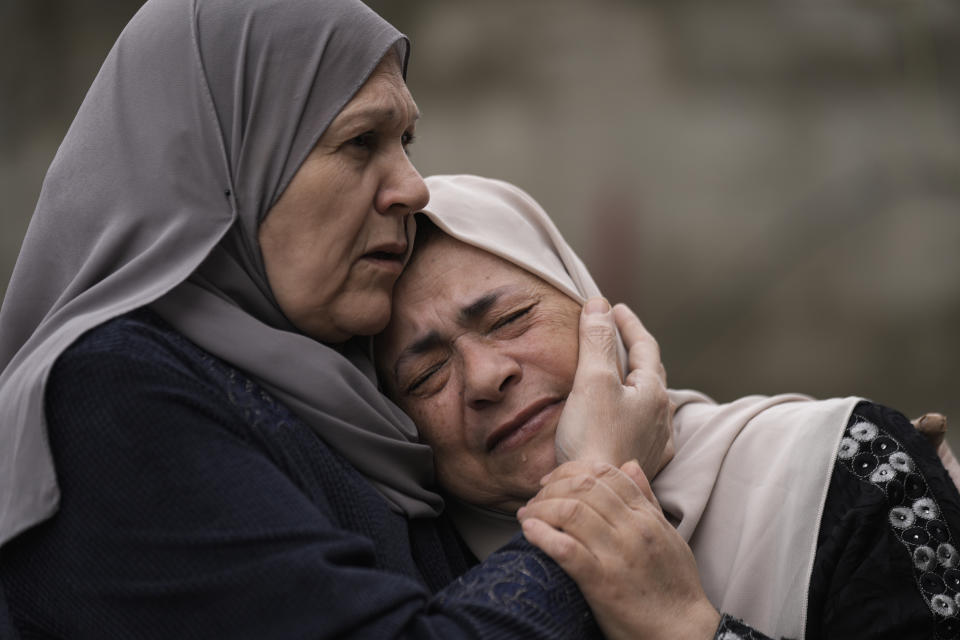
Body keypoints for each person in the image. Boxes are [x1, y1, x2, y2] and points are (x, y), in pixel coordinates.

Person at [0, 2, 679, 638]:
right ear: (232, 163)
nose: (412, 187)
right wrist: (597, 482)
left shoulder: (337, 401)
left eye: (406, 140)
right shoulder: (112, 395)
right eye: (361, 142)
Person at [375, 173, 960, 640]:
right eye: (426, 376)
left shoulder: (839, 471)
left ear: (590, 311)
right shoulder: (404, 583)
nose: (485, 376)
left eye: (509, 320)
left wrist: (682, 625)